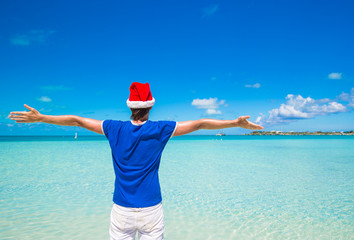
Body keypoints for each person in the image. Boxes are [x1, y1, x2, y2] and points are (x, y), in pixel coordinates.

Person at [9, 82, 263, 240]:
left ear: (130, 107)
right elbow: (199, 123)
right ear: (150, 107)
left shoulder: (112, 128)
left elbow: (77, 120)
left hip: (121, 209)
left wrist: (41, 118)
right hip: (152, 209)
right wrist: (235, 123)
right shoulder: (161, 129)